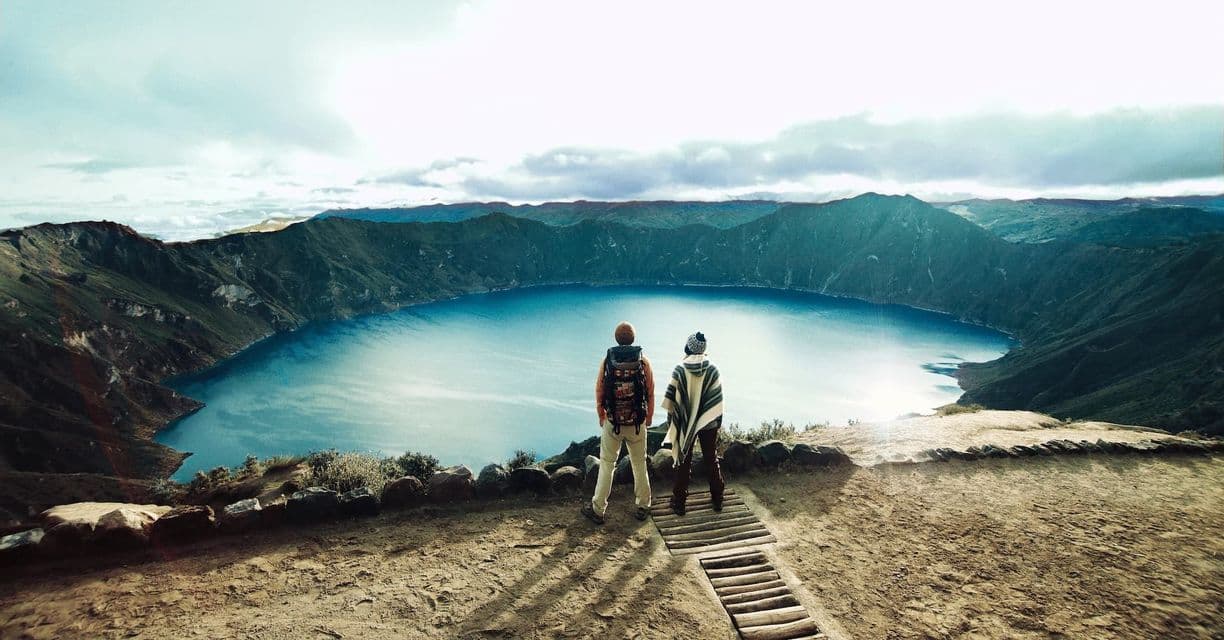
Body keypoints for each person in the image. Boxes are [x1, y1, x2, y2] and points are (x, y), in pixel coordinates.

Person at [582, 321, 655, 525]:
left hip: (613, 422)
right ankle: (643, 505)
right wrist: (648, 417)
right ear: (633, 339)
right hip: (637, 422)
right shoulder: (644, 362)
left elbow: (599, 390)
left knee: (607, 464)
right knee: (639, 464)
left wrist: (601, 414)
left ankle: (598, 509)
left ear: (616, 338)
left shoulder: (608, 362)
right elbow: (650, 391)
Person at [662, 331, 724, 515]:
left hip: (685, 421)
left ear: (688, 347)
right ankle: (717, 498)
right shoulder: (713, 369)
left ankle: (679, 502)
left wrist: (672, 422)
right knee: (711, 458)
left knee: (684, 460)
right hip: (708, 422)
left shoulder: (680, 369)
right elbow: (717, 400)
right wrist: (717, 422)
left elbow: (672, 400)